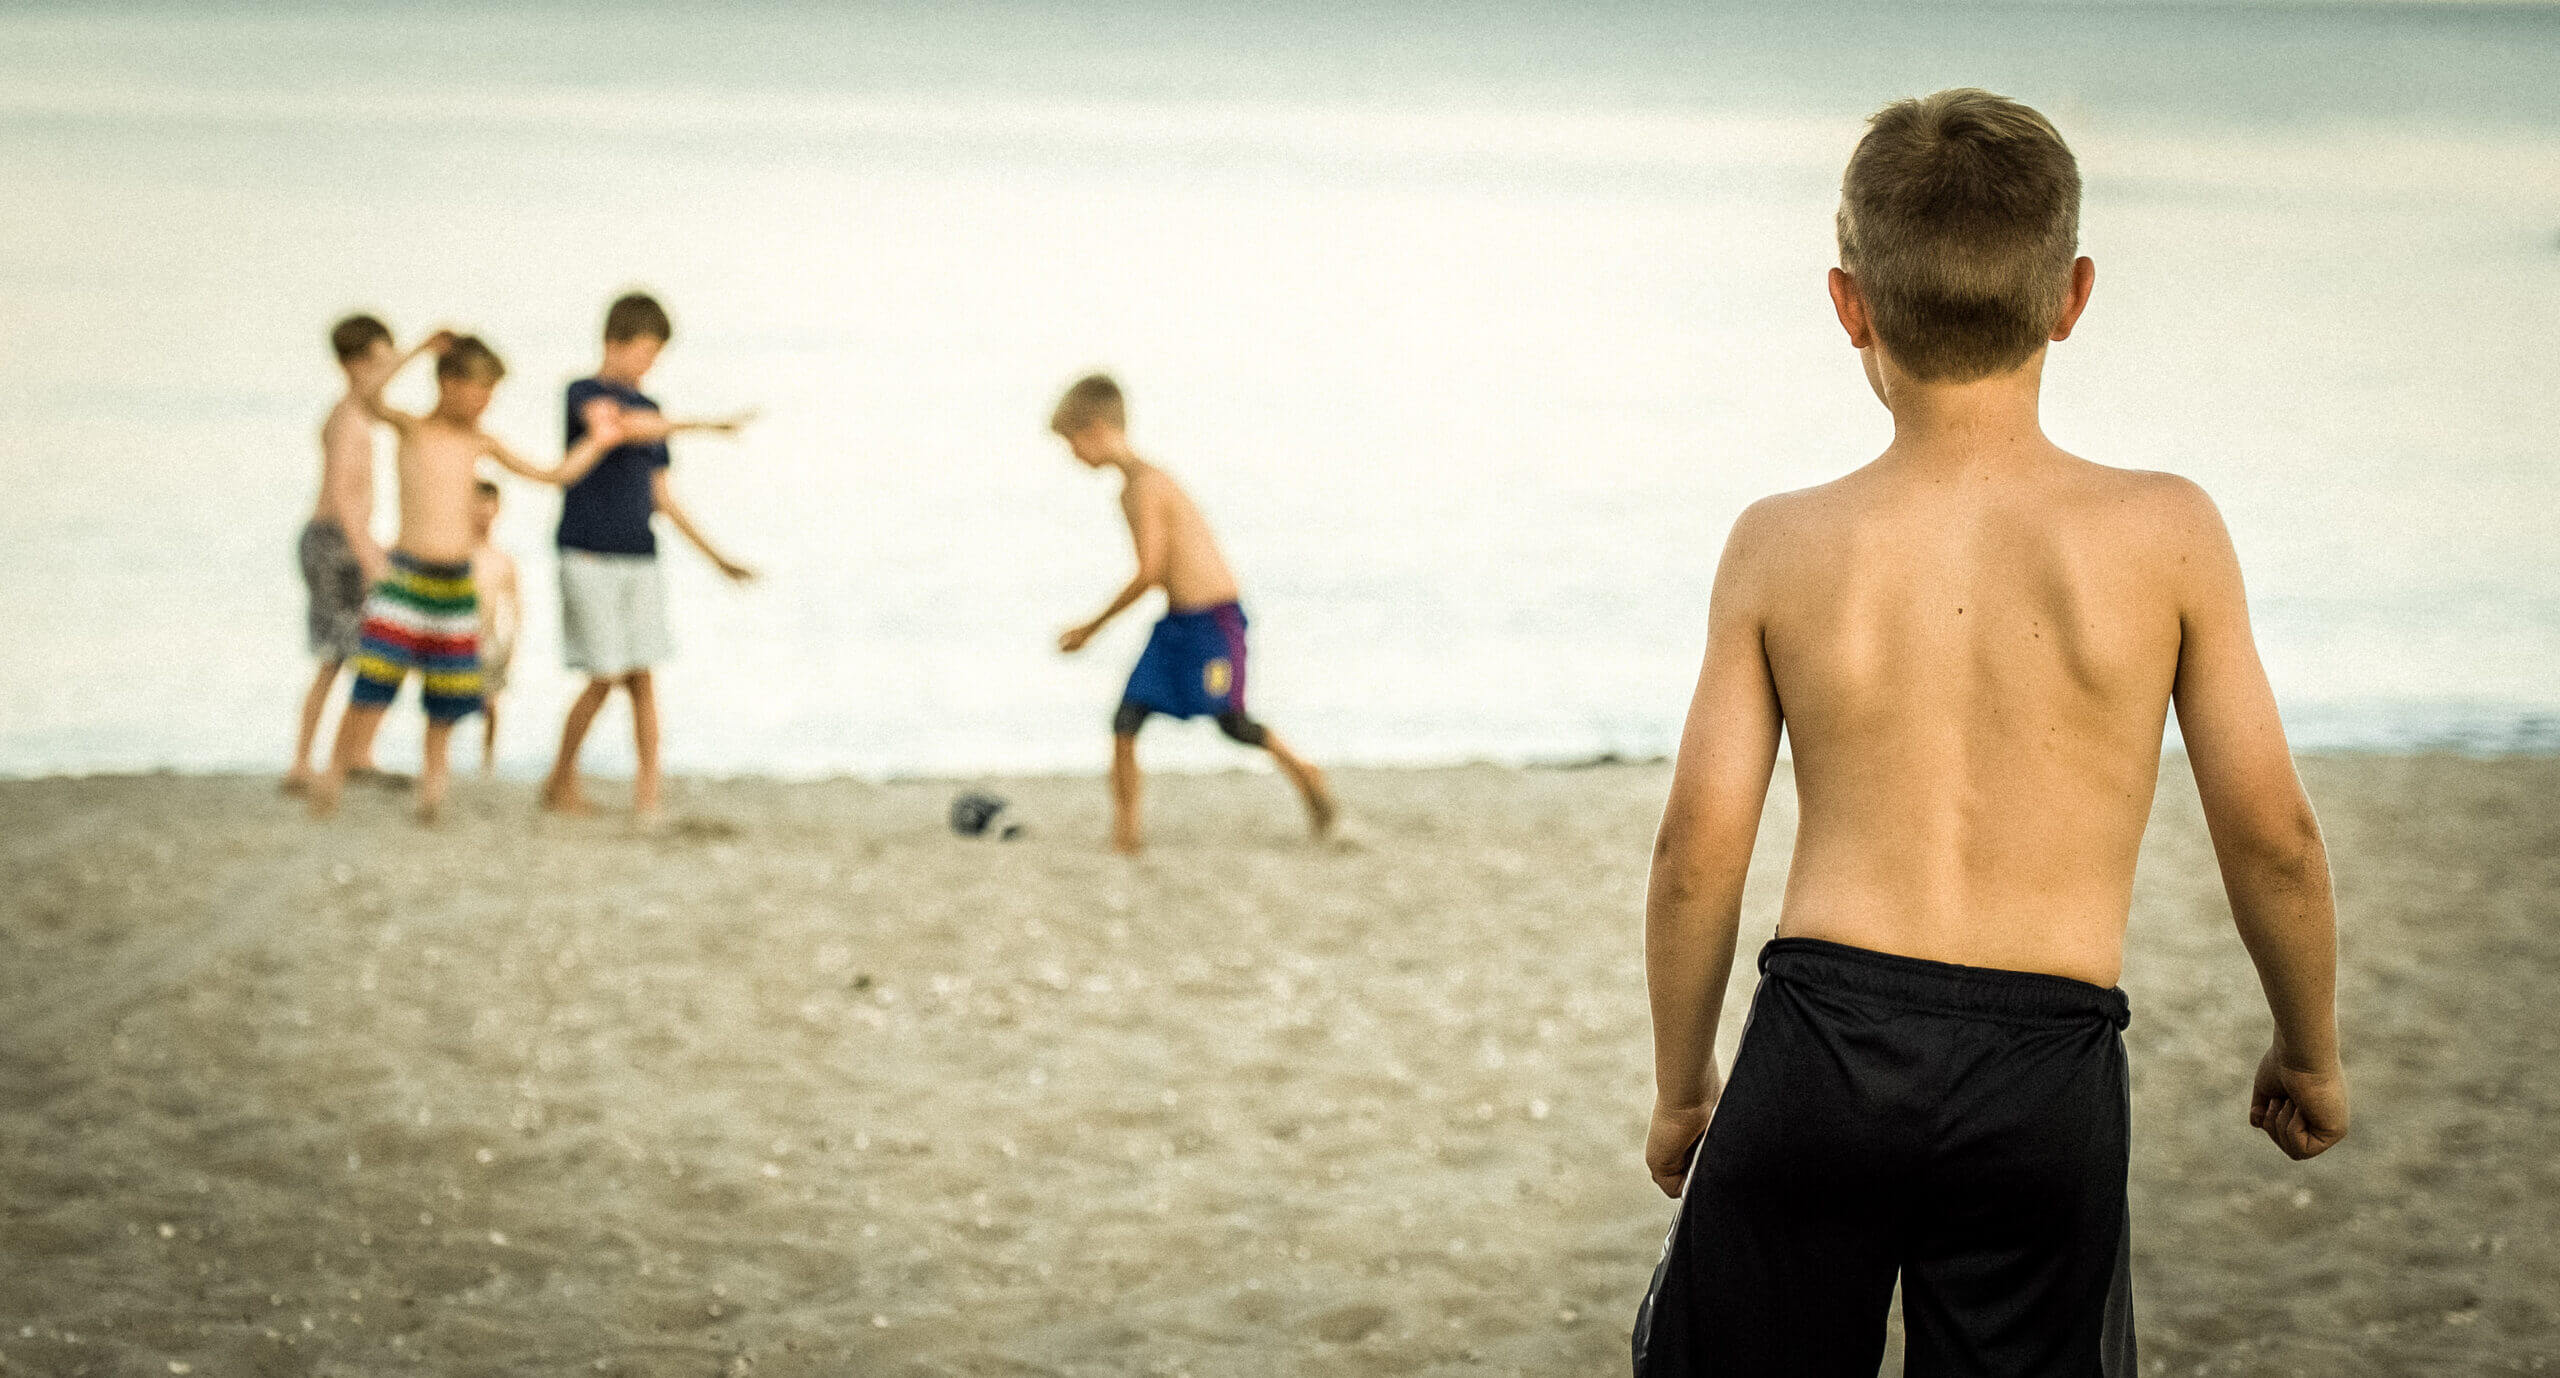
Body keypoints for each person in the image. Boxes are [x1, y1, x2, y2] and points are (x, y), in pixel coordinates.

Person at [1634, 90, 2346, 1377]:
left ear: (1848, 305)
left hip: (1821, 1044)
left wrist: (1686, 1084)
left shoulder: (1778, 542)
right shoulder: (2168, 531)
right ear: (2071, 296)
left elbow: (1696, 847)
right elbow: (2274, 835)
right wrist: (2311, 1049)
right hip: (2045, 1064)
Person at [308, 334, 623, 824]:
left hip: (456, 584)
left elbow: (553, 475)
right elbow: (368, 398)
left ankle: (432, 794)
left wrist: (598, 441)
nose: (484, 404)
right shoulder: (413, 429)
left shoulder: (479, 440)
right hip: (407, 576)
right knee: (373, 686)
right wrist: (417, 349)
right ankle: (331, 781)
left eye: (490, 395)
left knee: (446, 698)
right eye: (479, 392)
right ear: (449, 384)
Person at [1050, 374, 1335, 854]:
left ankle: (1306, 772)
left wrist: (1090, 629)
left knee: (1233, 724)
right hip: (1179, 624)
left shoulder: (1144, 488)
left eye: (1072, 442)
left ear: (1096, 429)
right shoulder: (1138, 484)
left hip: (1214, 623)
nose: (1073, 455)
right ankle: (1127, 836)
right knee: (1126, 719)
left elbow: (1150, 573)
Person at [539, 292, 755, 825]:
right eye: (645, 351)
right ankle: (560, 777)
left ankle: (647, 793)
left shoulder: (653, 411)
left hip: (640, 553)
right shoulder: (583, 391)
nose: (650, 364)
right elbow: (610, 427)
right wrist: (706, 425)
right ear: (614, 343)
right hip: (588, 550)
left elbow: (663, 499)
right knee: (604, 674)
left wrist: (717, 558)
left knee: (642, 678)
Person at [284, 314, 398, 795]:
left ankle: (349, 755)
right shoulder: (349, 417)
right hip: (336, 541)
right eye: (384, 361)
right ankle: (309, 761)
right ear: (359, 363)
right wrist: (369, 555)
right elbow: (345, 500)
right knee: (340, 654)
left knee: (358, 651)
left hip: (337, 539)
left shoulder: (349, 414)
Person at [468, 479, 522, 778]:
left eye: (488, 506)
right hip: (457, 639)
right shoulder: (458, 552)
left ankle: (486, 763)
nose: (482, 513)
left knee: (490, 705)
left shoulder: (503, 560)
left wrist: (511, 644)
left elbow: (515, 608)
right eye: (477, 505)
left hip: (488, 642)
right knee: (447, 703)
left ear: (497, 510)